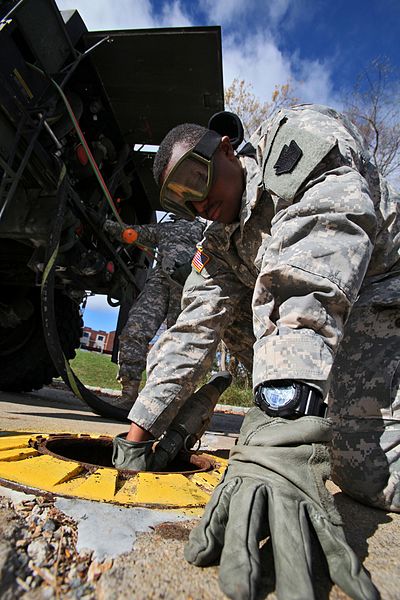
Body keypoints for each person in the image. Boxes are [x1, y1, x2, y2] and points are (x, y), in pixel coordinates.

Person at [113, 103, 399, 599]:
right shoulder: (218, 241)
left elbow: (312, 257)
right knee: (341, 459)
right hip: (328, 323)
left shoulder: (296, 139)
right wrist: (141, 427)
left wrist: (284, 411)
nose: (195, 202)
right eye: (179, 198)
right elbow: (191, 329)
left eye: (194, 178)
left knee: (375, 474)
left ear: (225, 148)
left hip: (382, 298)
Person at [105, 216, 205, 409]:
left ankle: (170, 400)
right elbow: (131, 233)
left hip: (188, 283)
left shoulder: (204, 228)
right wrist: (105, 223)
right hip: (159, 282)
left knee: (180, 343)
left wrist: (194, 269)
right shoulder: (163, 228)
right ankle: (128, 393)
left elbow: (213, 250)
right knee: (135, 329)